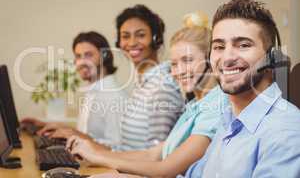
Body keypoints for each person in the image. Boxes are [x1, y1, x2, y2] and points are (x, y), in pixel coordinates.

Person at [66, 12, 227, 177]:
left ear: (211, 59)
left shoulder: (214, 106)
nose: (178, 71)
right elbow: (152, 154)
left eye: (187, 60)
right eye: (173, 63)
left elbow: (164, 169)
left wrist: (98, 157)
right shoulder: (194, 106)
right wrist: (95, 155)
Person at [183, 0, 300, 178]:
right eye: (219, 47)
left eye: (243, 45)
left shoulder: (285, 132)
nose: (227, 57)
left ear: (271, 58)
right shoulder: (229, 119)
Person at [22, 31, 127, 147]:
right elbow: (89, 135)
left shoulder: (114, 96)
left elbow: (117, 148)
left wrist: (74, 134)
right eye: (78, 56)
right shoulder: (94, 91)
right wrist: (52, 126)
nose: (81, 62)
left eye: (88, 55)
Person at [113, 4, 185, 150]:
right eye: (125, 36)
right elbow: (128, 147)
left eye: (140, 35)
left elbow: (156, 157)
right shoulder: (143, 82)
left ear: (156, 39)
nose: (132, 43)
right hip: (127, 169)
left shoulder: (163, 86)